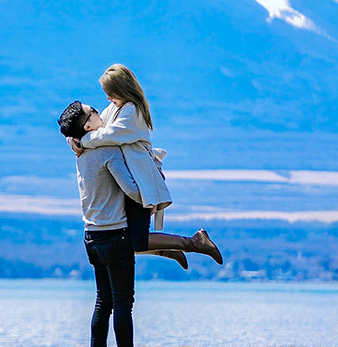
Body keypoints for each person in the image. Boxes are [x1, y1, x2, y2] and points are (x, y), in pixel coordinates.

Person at [59, 102, 217, 347]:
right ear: (88, 125)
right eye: (94, 112)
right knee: (123, 304)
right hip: (114, 234)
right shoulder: (107, 151)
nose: (100, 112)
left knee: (103, 302)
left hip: (91, 235)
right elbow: (131, 189)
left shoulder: (80, 153)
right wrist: (151, 190)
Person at [66, 65, 222, 268]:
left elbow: (109, 134)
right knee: (126, 239)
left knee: (133, 240)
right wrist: (72, 138)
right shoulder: (114, 109)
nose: (107, 98)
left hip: (141, 182)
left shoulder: (133, 111)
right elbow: (93, 126)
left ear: (122, 89)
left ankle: (193, 242)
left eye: (110, 93)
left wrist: (82, 142)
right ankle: (167, 248)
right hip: (131, 180)